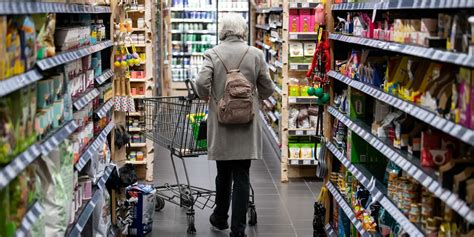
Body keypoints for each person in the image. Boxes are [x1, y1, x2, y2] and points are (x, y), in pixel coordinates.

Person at [195, 13, 275, 237]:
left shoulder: (212, 53)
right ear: (242, 31)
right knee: (242, 174)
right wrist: (253, 94)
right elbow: (268, 88)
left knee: (223, 173)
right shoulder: (256, 54)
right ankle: (238, 230)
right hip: (247, 125)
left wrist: (210, 96)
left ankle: (220, 218)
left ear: (223, 31)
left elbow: (201, 84)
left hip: (221, 125)